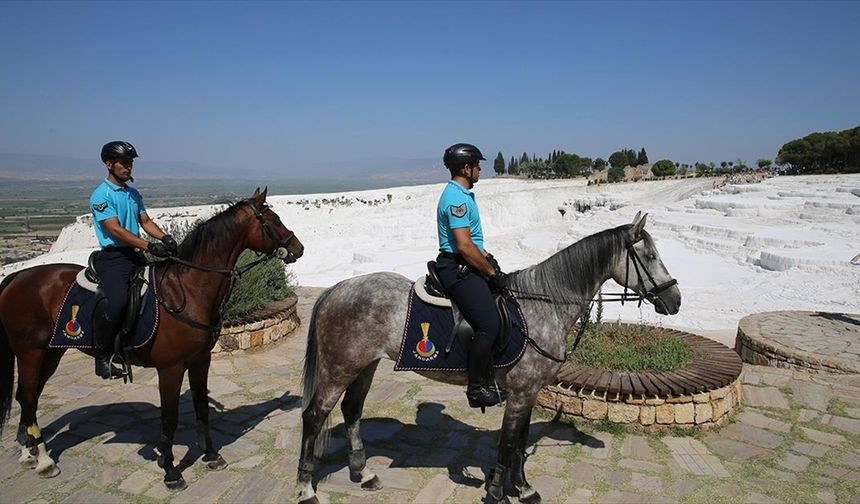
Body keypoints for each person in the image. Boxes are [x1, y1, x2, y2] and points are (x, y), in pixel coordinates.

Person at [89, 141, 177, 379]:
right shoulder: (101, 195)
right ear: (109, 164)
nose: (128, 167)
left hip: (135, 255)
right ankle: (103, 357)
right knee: (117, 302)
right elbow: (115, 230)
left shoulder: (133, 194)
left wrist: (166, 238)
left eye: (130, 163)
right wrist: (149, 245)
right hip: (114, 258)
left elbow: (145, 222)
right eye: (124, 163)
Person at [435, 142, 509, 408]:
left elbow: (473, 242)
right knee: (490, 323)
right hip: (457, 267)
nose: (479, 170)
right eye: (477, 166)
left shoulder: (462, 194)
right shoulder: (456, 199)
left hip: (467, 261)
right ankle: (476, 388)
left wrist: (488, 258)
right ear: (466, 168)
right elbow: (464, 246)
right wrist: (489, 271)